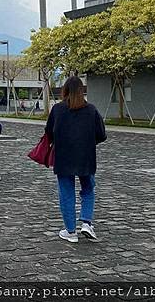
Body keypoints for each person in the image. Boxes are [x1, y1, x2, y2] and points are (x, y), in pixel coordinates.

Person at [45, 76, 107, 243]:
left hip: (63, 157)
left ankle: (70, 231)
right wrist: (88, 142)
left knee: (66, 193)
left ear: (64, 90)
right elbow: (101, 134)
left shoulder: (57, 109)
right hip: (86, 157)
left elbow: (49, 133)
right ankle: (86, 222)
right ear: (82, 91)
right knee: (88, 189)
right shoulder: (91, 110)